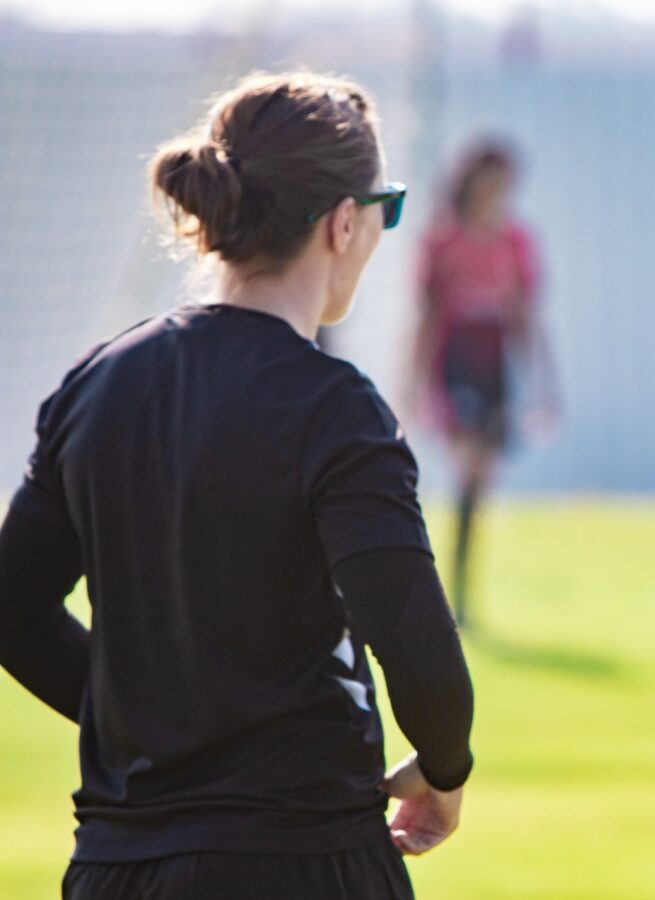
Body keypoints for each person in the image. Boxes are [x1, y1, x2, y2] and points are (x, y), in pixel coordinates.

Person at [0, 72, 474, 899]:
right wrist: (445, 766)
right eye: (385, 210)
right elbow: (417, 648)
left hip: (116, 866)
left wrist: (150, 728)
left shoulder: (96, 386)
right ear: (342, 222)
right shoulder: (335, 410)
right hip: (300, 861)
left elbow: (11, 609)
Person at [412, 140, 554, 627]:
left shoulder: (517, 241)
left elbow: (527, 317)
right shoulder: (443, 240)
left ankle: (460, 589)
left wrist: (544, 387)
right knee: (468, 470)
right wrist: (413, 384)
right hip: (458, 361)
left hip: (495, 365)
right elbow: (426, 317)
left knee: (480, 482)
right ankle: (449, 592)